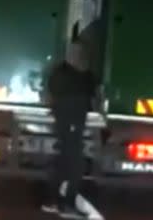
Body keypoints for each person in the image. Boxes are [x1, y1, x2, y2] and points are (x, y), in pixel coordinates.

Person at [42, 41, 98, 219]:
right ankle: (66, 203)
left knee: (63, 163)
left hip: (66, 122)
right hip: (71, 122)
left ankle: (54, 201)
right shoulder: (76, 75)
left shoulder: (61, 72)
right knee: (75, 165)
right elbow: (91, 91)